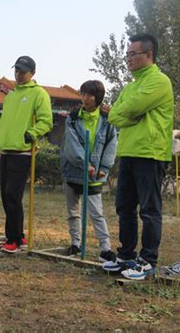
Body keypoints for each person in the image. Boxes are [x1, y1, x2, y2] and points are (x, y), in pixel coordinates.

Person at [101, 33, 174, 280]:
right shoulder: (130, 86)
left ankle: (147, 260)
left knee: (149, 209)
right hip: (129, 151)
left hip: (151, 153)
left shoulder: (159, 81)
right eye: (127, 54)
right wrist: (129, 115)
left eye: (132, 54)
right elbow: (114, 116)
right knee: (124, 207)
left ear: (148, 55)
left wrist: (127, 113)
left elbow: (128, 109)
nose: (128, 59)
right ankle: (126, 256)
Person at [0, 56, 53, 253]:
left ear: (33, 73)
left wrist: (32, 133)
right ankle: (18, 235)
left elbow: (46, 121)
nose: (18, 74)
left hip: (23, 152)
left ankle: (13, 240)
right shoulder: (10, 96)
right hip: (5, 150)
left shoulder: (39, 94)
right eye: (16, 70)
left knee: (13, 195)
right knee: (5, 195)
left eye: (23, 71)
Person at [60, 80, 117, 262]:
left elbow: (111, 144)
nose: (84, 98)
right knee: (73, 211)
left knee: (96, 213)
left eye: (88, 95)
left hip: (95, 175)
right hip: (74, 171)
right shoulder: (74, 117)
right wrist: (85, 163)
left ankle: (105, 248)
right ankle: (75, 243)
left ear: (97, 97)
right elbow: (71, 144)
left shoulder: (107, 120)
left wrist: (104, 167)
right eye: (82, 94)